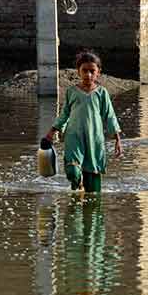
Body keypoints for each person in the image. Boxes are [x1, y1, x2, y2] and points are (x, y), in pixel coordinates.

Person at [44, 52, 123, 193]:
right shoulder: (71, 92)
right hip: (74, 136)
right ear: (78, 72)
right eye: (85, 71)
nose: (88, 75)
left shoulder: (102, 93)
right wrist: (52, 131)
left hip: (95, 138)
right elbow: (64, 114)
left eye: (92, 71)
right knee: (73, 172)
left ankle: (91, 211)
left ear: (98, 73)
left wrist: (117, 139)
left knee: (93, 184)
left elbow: (109, 116)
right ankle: (76, 199)